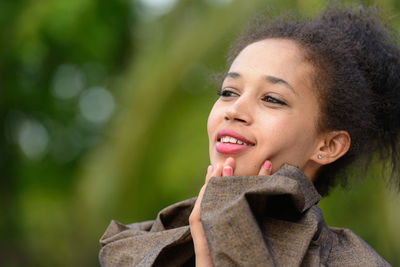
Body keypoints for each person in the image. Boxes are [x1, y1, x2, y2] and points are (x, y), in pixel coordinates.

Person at [99, 4, 399, 266]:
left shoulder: (353, 262)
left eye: (272, 99)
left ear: (329, 145)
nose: (235, 110)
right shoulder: (139, 247)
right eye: (228, 92)